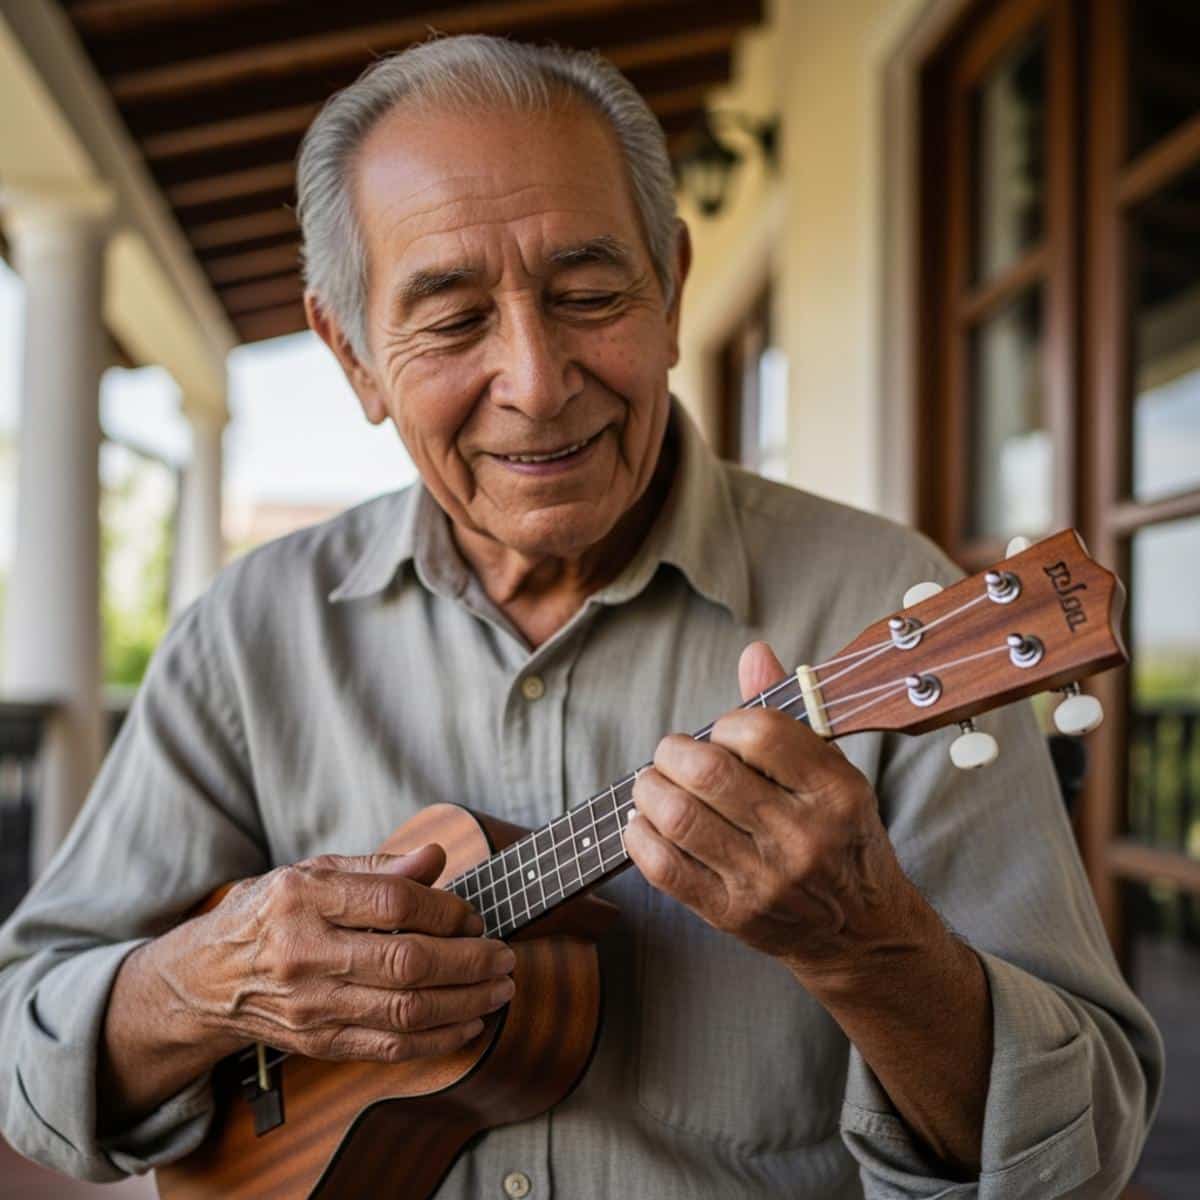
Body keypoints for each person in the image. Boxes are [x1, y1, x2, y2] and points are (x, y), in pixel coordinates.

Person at [0, 35, 1161, 1199]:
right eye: (454, 321)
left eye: (590, 294)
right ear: (353, 356)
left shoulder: (873, 599)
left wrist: (869, 946)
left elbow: (1087, 1153)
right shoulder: (251, 632)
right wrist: (204, 985)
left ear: (672, 286)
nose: (538, 378)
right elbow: (23, 1042)